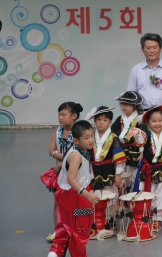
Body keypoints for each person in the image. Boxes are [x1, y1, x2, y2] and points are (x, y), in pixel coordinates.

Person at [48, 120, 100, 257]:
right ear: (76, 140)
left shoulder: (77, 150)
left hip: (66, 194)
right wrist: (87, 195)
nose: (90, 140)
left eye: (91, 136)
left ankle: (55, 253)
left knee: (64, 229)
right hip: (75, 196)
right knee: (80, 231)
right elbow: (71, 180)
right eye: (86, 137)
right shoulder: (76, 155)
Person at [131, 105, 162, 232]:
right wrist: (138, 133)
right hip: (147, 169)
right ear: (147, 122)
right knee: (145, 192)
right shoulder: (146, 135)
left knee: (160, 193)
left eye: (160, 121)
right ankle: (144, 215)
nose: (157, 124)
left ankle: (157, 218)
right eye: (153, 121)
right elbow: (140, 140)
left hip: (161, 169)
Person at [43, 102, 83, 243]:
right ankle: (59, 230)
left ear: (74, 116)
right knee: (58, 202)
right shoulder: (57, 131)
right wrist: (63, 159)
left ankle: (78, 229)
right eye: (59, 114)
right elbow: (51, 150)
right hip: (60, 174)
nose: (60, 117)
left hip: (76, 173)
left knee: (77, 201)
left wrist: (65, 161)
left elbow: (81, 152)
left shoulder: (79, 132)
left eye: (63, 115)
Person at [127, 33, 162, 110]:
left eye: (155, 47)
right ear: (142, 49)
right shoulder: (136, 70)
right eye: (148, 48)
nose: (151, 51)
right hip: (143, 113)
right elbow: (131, 95)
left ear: (160, 48)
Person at [86, 106, 126, 195]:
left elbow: (119, 158)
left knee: (109, 195)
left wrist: (118, 174)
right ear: (95, 121)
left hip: (108, 170)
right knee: (94, 194)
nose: (101, 122)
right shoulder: (90, 136)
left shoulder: (114, 137)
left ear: (110, 122)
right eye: (99, 119)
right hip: (93, 170)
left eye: (105, 120)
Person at [110, 91, 144, 180]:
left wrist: (142, 152)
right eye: (122, 104)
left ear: (134, 105)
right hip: (121, 150)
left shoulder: (140, 119)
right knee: (122, 176)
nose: (124, 106)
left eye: (127, 104)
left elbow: (143, 138)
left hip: (134, 151)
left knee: (134, 176)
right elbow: (112, 134)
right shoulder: (119, 119)